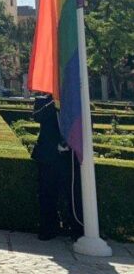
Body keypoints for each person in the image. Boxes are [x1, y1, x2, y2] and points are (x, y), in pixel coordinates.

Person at [32, 94, 83, 240]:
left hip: (69, 157)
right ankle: (48, 228)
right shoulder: (43, 100)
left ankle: (77, 228)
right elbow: (37, 116)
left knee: (73, 195)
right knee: (47, 194)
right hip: (48, 157)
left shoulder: (75, 100)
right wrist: (53, 103)